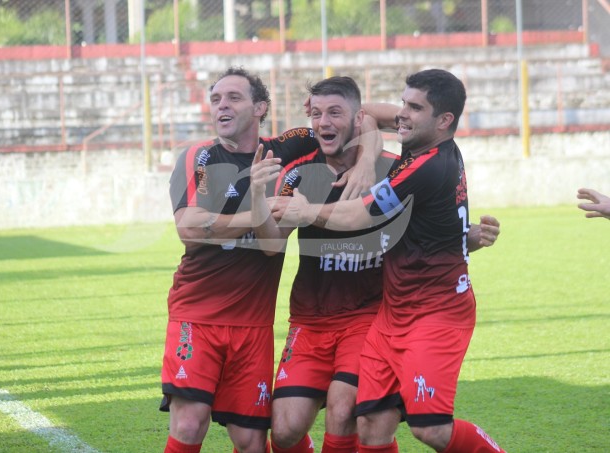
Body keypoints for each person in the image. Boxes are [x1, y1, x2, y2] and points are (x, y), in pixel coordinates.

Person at [251, 75, 501, 453]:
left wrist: (311, 207)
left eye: (414, 108)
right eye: (316, 114)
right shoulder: (399, 155)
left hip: (406, 314)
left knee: (410, 425)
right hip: (356, 317)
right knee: (343, 426)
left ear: (444, 120)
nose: (402, 114)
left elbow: (357, 216)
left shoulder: (413, 166)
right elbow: (272, 245)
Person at [162, 67, 384, 453]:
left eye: (233, 98)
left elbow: (372, 115)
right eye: (215, 99)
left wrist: (367, 159)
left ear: (260, 107)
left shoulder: (289, 148)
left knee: (254, 439)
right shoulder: (199, 157)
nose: (221, 106)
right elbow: (190, 229)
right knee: (189, 421)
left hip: (254, 323)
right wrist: (266, 211)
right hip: (198, 315)